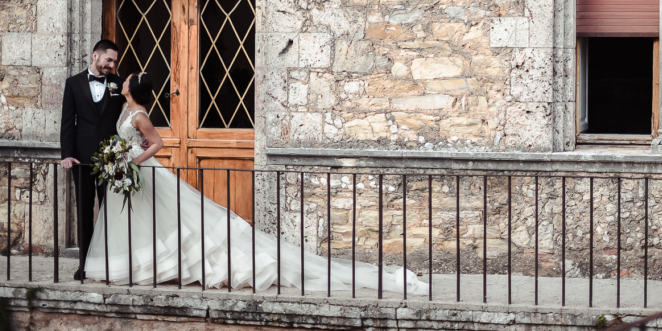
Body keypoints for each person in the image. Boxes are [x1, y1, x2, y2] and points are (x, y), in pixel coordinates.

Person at [84, 72, 426, 295]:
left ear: (132, 89)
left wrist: (131, 159)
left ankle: (171, 264)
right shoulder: (125, 108)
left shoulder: (140, 114)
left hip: (138, 169)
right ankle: (135, 262)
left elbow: (157, 143)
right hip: (127, 171)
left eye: (127, 79)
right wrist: (122, 156)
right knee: (145, 221)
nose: (123, 80)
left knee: (173, 218)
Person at [60, 39, 126, 280]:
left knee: (110, 213)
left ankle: (110, 264)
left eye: (114, 61)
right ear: (95, 55)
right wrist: (67, 153)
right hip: (82, 160)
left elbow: (132, 111)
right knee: (85, 213)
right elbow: (68, 122)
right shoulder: (74, 84)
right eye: (108, 60)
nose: (111, 65)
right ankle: (85, 265)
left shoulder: (120, 84)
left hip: (111, 158)